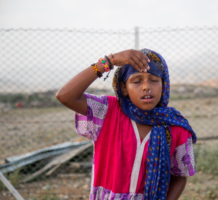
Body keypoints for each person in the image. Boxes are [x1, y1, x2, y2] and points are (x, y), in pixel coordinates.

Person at [56, 48, 197, 200]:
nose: (146, 87)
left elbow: (180, 176)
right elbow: (65, 96)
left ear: (164, 84)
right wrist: (109, 61)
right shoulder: (107, 112)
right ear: (124, 88)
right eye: (136, 81)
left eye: (154, 80)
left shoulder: (176, 126)